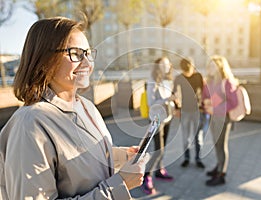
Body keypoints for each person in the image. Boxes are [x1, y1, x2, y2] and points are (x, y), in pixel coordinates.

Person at [0, 17, 149, 199]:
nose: (87, 63)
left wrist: (119, 156)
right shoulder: (29, 125)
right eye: (76, 54)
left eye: (88, 53)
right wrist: (120, 185)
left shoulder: (86, 106)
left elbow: (74, 161)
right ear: (45, 59)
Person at [202, 55, 238, 186]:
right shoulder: (209, 81)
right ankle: (218, 167)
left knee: (221, 146)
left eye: (213, 65)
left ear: (220, 67)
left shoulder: (227, 82)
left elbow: (234, 102)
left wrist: (215, 108)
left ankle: (221, 175)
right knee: (216, 144)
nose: (209, 68)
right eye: (209, 65)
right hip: (212, 118)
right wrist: (205, 102)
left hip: (223, 118)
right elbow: (206, 98)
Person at [141, 57, 175, 194]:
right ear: (157, 66)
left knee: (163, 147)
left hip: (168, 117)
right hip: (156, 118)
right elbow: (151, 102)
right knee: (158, 150)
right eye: (163, 64)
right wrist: (168, 99)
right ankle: (146, 177)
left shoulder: (168, 79)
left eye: (167, 64)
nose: (166, 66)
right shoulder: (152, 80)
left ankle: (159, 171)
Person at [172, 58, 206, 168]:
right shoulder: (178, 78)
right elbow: (174, 94)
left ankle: (198, 159)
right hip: (185, 111)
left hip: (198, 111)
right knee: (185, 137)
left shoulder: (198, 76)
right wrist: (177, 108)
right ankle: (186, 158)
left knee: (198, 136)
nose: (187, 72)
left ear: (192, 67)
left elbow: (205, 92)